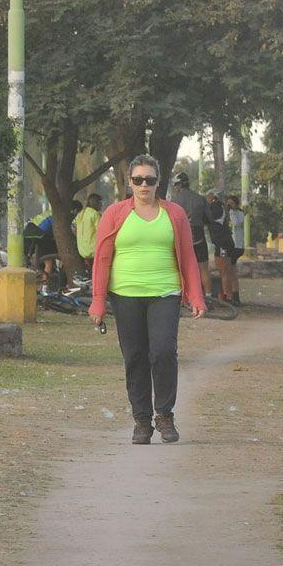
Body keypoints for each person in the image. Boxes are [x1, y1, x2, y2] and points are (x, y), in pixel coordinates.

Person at [89, 155, 206, 444]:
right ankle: (142, 421)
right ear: (130, 182)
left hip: (165, 293)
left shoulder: (175, 214)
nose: (144, 185)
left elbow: (189, 258)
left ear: (158, 182)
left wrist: (196, 296)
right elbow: (102, 259)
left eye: (150, 180)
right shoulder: (115, 214)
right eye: (138, 180)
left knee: (164, 352)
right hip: (125, 294)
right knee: (135, 357)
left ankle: (164, 415)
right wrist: (98, 300)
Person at [169, 171, 213, 294]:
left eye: (176, 186)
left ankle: (185, 297)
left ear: (178, 185)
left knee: (182, 268)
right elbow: (209, 219)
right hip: (199, 237)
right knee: (203, 268)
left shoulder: (174, 200)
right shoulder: (200, 199)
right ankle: (208, 297)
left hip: (182, 237)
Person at [205, 190, 236, 300]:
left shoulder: (215, 207)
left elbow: (207, 219)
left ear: (212, 197)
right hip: (225, 241)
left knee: (223, 271)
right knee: (226, 270)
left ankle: (226, 297)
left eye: (208, 197)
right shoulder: (222, 207)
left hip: (221, 242)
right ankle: (228, 295)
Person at [223, 194, 246, 305]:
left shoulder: (240, 214)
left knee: (231, 271)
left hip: (237, 246)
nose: (230, 206)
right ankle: (231, 295)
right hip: (229, 244)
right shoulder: (226, 214)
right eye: (228, 204)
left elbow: (236, 224)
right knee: (230, 271)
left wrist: (230, 211)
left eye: (232, 204)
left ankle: (234, 296)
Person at [75, 194, 103, 273]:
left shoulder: (80, 214)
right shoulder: (95, 214)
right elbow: (102, 231)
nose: (101, 205)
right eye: (100, 202)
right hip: (93, 250)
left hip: (82, 251)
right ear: (95, 203)